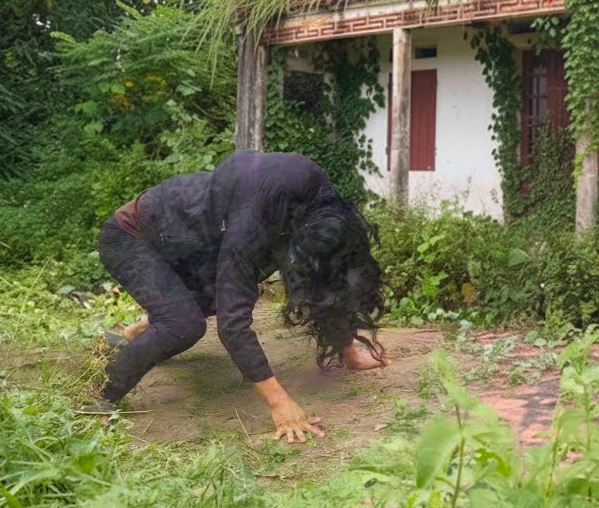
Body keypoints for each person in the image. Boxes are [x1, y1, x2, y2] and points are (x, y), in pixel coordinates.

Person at [84, 150, 393, 444]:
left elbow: (327, 281)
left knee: (210, 301)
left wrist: (347, 350)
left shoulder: (316, 200)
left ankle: (139, 334)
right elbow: (232, 325)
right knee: (184, 324)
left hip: (188, 243)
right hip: (131, 236)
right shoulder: (254, 217)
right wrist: (280, 403)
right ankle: (101, 396)